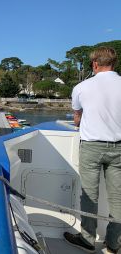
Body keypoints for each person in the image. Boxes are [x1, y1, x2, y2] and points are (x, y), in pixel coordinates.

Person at [63, 47, 121, 254]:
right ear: (113, 63)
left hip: (92, 147)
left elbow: (77, 118)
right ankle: (114, 243)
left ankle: (87, 239)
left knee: (90, 195)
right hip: (119, 148)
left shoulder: (82, 87)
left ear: (94, 64)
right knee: (118, 198)